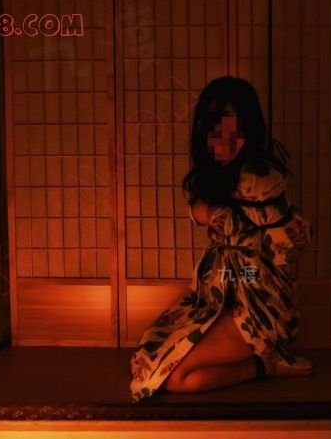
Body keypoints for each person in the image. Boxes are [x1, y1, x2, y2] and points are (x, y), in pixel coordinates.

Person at [129, 75, 314, 402]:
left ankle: (266, 365)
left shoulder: (259, 178)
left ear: (251, 133)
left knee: (176, 376)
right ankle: (260, 357)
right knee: (150, 352)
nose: (227, 144)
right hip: (225, 290)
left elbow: (270, 237)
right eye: (217, 134)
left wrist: (208, 214)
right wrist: (203, 212)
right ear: (204, 134)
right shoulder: (222, 175)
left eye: (237, 135)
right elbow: (205, 210)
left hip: (259, 301)